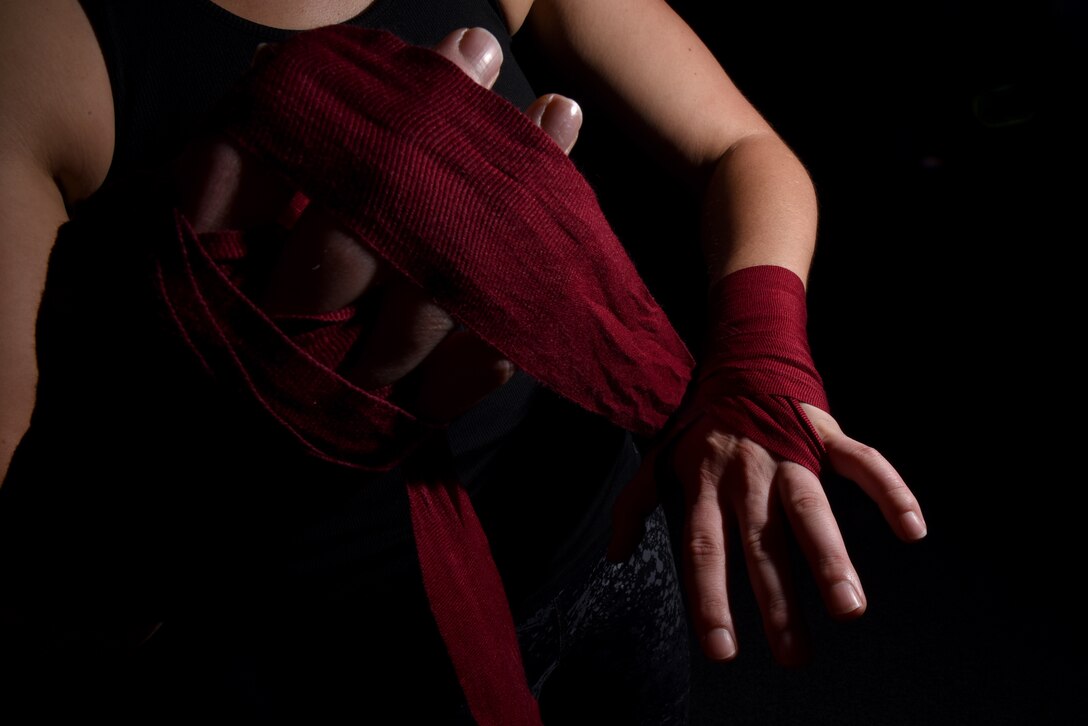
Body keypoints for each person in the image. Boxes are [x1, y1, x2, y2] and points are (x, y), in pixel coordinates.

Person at [0, 0, 927, 723]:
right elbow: (35, 601)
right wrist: (253, 436)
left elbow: (742, 148)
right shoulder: (44, 49)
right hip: (335, 659)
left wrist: (758, 349)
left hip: (602, 546)